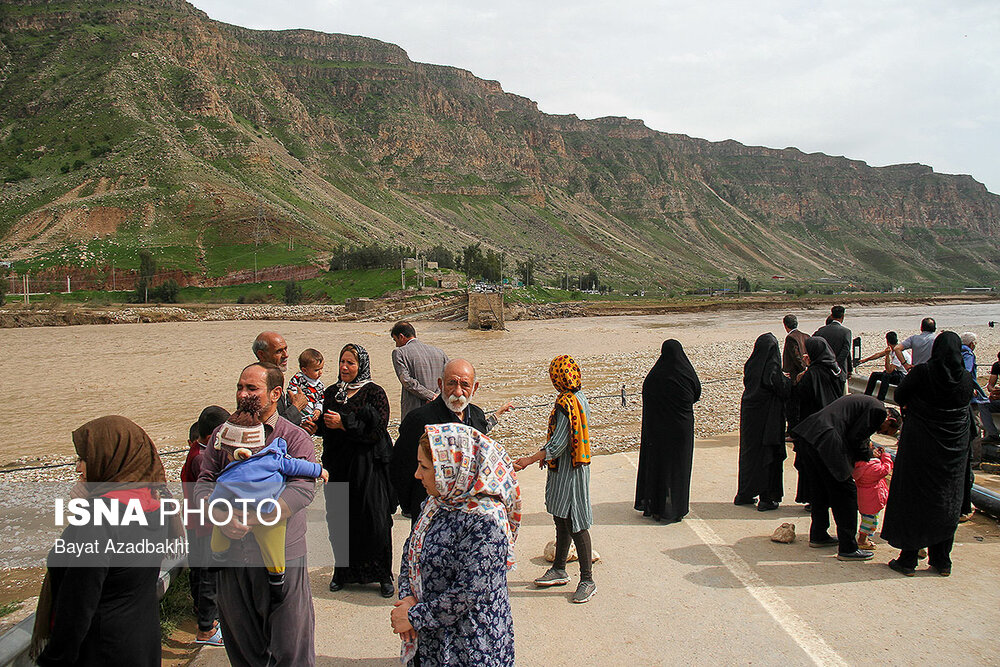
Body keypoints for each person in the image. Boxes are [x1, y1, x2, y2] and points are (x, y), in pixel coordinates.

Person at [195, 362, 318, 667]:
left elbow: (303, 488)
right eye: (240, 387)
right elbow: (204, 481)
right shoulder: (222, 436)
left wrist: (262, 516)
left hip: (282, 556)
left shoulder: (294, 438)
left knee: (291, 648)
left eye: (252, 388)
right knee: (242, 646)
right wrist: (221, 513)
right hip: (232, 555)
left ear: (276, 393)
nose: (243, 394)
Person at [31, 416, 175, 666]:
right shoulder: (155, 503)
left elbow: (80, 599)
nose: (79, 468)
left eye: (84, 459)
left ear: (110, 458)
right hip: (141, 643)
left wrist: (55, 658)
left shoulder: (100, 519)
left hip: (102, 650)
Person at [391, 424, 520, 666]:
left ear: (451, 471)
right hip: (431, 640)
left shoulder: (487, 522)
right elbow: (411, 552)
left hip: (470, 646)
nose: (417, 475)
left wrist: (414, 617)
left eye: (425, 467)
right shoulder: (436, 503)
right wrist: (407, 597)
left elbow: (468, 592)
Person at [208, 398, 328, 602]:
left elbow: (215, 499)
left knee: (218, 535)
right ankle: (277, 578)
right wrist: (320, 470)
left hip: (241, 510)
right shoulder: (274, 456)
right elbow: (298, 466)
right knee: (273, 548)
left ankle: (218, 556)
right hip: (270, 511)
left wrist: (220, 514)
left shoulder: (228, 475)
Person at [882, 332, 976, 576]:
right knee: (946, 501)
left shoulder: (923, 373)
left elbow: (900, 395)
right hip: (953, 451)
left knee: (916, 498)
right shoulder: (965, 378)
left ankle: (909, 559)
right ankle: (942, 560)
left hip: (921, 446)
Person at [314, 343, 396, 597]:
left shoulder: (375, 393)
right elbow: (324, 427)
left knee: (375, 520)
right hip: (338, 466)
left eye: (350, 363)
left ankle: (382, 575)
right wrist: (314, 424)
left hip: (368, 467)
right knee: (339, 520)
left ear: (361, 366)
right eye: (342, 362)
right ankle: (343, 572)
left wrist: (344, 424)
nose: (344, 367)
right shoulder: (331, 393)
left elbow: (377, 430)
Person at [514, 355, 596, 604]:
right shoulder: (580, 398)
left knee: (575, 522)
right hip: (573, 467)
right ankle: (560, 568)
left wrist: (530, 458)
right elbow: (564, 439)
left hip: (569, 471)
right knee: (562, 517)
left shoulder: (565, 404)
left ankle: (587, 580)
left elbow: (559, 444)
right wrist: (546, 452)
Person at [790, 394, 901, 561]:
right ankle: (848, 547)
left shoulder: (865, 403)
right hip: (826, 439)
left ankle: (818, 534)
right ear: (890, 419)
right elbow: (856, 437)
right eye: (884, 430)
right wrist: (869, 455)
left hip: (810, 435)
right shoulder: (878, 410)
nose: (879, 431)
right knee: (846, 493)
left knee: (820, 490)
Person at [391, 358, 494, 521]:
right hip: (430, 512)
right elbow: (401, 469)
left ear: (475, 388)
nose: (458, 392)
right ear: (440, 384)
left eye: (465, 385)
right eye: (451, 383)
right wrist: (410, 507)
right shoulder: (419, 420)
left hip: (471, 512)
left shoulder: (477, 416)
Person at [634, 339, 702, 523]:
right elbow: (696, 393)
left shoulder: (654, 376)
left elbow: (647, 398)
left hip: (657, 431)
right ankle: (676, 509)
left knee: (658, 467)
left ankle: (656, 507)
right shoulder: (686, 373)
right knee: (679, 468)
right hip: (681, 429)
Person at [180, 405, 230, 646]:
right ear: (212, 438)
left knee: (200, 571)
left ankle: (203, 613)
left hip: (196, 523)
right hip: (206, 526)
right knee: (209, 576)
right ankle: (207, 627)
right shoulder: (202, 459)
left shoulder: (195, 451)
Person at [734, 333, 790, 511]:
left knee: (749, 456)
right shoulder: (772, 365)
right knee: (769, 456)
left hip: (751, 414)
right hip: (769, 418)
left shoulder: (752, 364)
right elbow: (778, 386)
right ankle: (767, 497)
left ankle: (745, 493)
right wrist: (788, 380)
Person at [791, 337, 845, 507]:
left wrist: (804, 372)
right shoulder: (836, 369)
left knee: (812, 465)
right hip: (833, 423)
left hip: (813, 424)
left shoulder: (813, 374)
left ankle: (815, 499)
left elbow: (800, 395)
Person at [391, 321, 449, 419]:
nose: (396, 344)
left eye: (395, 340)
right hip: (440, 407)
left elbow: (407, 381)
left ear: (401, 336)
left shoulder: (399, 352)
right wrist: (437, 395)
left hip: (414, 409)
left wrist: (430, 396)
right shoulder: (439, 352)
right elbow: (449, 376)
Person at [253, 332, 308, 426]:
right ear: (261, 355)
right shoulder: (257, 382)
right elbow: (270, 425)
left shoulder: (273, 377)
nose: (286, 355)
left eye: (285, 349)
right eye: (279, 351)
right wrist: (296, 407)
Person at [852, 444, 893, 550]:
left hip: (863, 498)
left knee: (866, 519)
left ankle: (864, 538)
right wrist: (886, 456)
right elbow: (886, 469)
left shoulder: (858, 465)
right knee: (870, 521)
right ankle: (862, 540)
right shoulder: (872, 467)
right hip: (873, 499)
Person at [859, 331, 909, 401]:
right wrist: (866, 360)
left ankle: (880, 399)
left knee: (886, 375)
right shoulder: (894, 349)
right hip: (898, 373)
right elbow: (879, 354)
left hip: (903, 376)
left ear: (887, 342)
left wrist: (887, 355)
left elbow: (889, 370)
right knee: (874, 375)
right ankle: (867, 396)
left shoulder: (899, 353)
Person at [782, 314, 810, 429]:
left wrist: (803, 370)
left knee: (792, 405)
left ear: (785, 325)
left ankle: (793, 430)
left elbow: (796, 356)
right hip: (805, 374)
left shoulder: (791, 338)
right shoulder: (806, 336)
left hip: (794, 376)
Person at [287, 348, 325, 430]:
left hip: (311, 415)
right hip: (298, 413)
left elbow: (321, 399)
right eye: (316, 370)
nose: (320, 372)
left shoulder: (319, 385)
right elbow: (291, 390)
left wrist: (318, 409)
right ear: (304, 370)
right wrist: (294, 397)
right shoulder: (298, 378)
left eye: (321, 369)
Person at [814, 305, 853, 380]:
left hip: (823, 369)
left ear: (831, 316)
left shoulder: (821, 331)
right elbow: (845, 351)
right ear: (843, 317)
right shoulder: (846, 332)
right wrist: (835, 365)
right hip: (839, 370)